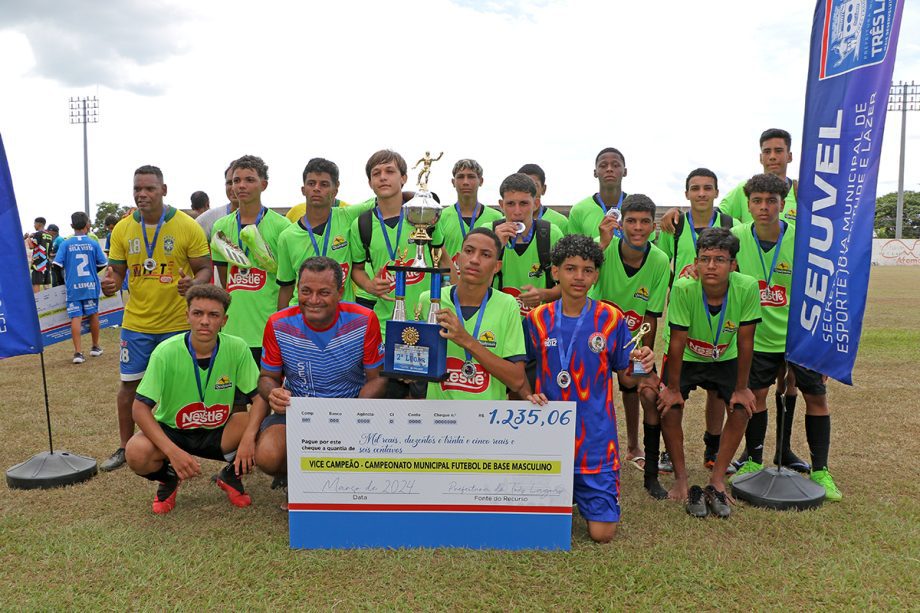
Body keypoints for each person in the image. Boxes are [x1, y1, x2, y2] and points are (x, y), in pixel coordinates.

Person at [526, 234, 655, 543]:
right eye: (570, 268)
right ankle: (563, 495)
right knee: (538, 529)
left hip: (595, 438)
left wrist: (642, 364)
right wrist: (527, 393)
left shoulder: (611, 319)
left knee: (602, 534)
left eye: (587, 269)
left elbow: (627, 379)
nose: (579, 277)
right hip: (548, 438)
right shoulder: (536, 319)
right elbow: (522, 372)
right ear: (555, 272)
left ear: (596, 275)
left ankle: (589, 494)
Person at [730, 173, 840, 500]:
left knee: (817, 398)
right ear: (748, 204)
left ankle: (821, 470)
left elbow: (826, 289)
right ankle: (753, 460)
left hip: (800, 338)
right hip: (758, 338)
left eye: (771, 201)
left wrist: (824, 347)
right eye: (757, 201)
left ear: (782, 204)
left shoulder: (805, 239)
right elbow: (712, 261)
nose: (764, 207)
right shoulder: (735, 237)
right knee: (756, 398)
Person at [100, 165, 212, 472]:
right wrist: (110, 282)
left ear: (163, 190)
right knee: (129, 388)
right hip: (137, 323)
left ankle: (182, 446)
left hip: (177, 323)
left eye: (149, 188)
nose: (142, 194)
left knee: (182, 388)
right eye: (137, 188)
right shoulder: (122, 229)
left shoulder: (186, 225)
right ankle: (125, 447)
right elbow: (117, 272)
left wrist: (195, 283)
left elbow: (204, 267)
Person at [255, 256, 386, 502]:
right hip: (298, 411)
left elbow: (377, 379)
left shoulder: (364, 319)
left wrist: (354, 414)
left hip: (349, 408)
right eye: (306, 291)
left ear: (340, 292)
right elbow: (267, 377)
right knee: (267, 455)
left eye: (324, 292)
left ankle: (339, 482)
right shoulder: (278, 324)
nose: (313, 300)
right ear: (297, 290)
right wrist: (272, 393)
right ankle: (295, 480)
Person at [124, 285, 263, 514]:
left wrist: (248, 439)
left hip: (220, 430)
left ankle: (230, 475)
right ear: (187, 315)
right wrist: (172, 451)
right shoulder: (165, 352)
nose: (205, 321)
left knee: (260, 430)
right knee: (136, 452)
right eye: (198, 313)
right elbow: (140, 408)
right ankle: (168, 479)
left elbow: (259, 399)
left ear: (224, 320)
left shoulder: (237, 348)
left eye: (213, 315)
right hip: (174, 430)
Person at [654, 227, 761, 518]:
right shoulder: (684, 288)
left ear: (733, 264)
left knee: (741, 408)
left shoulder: (747, 286)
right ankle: (681, 479)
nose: (711, 266)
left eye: (720, 259)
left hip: (726, 356)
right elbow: (676, 341)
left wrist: (741, 387)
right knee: (670, 407)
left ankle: (717, 480)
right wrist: (673, 389)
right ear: (696, 262)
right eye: (705, 259)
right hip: (688, 356)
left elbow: (746, 340)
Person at [655, 168, 737, 474]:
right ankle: (667, 450)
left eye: (707, 188)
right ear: (686, 193)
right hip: (682, 318)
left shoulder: (731, 225)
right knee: (672, 389)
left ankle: (712, 448)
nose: (701, 193)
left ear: (716, 192)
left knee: (717, 393)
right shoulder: (672, 226)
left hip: (718, 320)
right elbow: (663, 266)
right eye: (695, 188)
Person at [589, 194, 670, 498]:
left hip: (633, 342)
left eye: (644, 222)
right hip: (595, 339)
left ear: (653, 226)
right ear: (621, 223)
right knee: (590, 393)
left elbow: (649, 319)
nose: (638, 228)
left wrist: (640, 364)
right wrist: (602, 243)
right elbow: (582, 277)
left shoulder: (660, 260)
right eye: (631, 221)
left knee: (644, 391)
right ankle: (590, 455)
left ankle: (641, 457)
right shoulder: (606, 250)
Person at [349, 150, 435, 398]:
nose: (383, 178)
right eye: (376, 173)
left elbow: (443, 261)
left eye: (390, 171)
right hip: (386, 329)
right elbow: (356, 270)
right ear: (370, 182)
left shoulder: (424, 216)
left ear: (404, 178)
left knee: (426, 409)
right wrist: (369, 285)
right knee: (387, 409)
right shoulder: (362, 224)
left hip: (426, 325)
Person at [419, 228, 528, 400]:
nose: (475, 260)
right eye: (469, 251)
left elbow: (516, 380)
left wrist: (466, 340)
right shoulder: (430, 300)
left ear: (497, 266)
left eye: (485, 255)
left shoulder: (507, 305)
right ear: (459, 258)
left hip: (486, 422)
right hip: (438, 420)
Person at [211, 155, 291, 365]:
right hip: (232, 329)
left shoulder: (282, 227)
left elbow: (288, 281)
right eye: (236, 180)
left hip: (267, 328)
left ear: (263, 185)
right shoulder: (220, 227)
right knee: (233, 396)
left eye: (249, 180)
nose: (241, 186)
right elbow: (225, 281)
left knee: (266, 393)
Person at [276, 158, 374, 309]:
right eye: (311, 183)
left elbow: (382, 199)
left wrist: (416, 198)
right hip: (303, 316)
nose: (316, 188)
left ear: (335, 190)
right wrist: (282, 326)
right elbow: (286, 286)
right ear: (303, 190)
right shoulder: (287, 236)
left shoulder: (347, 216)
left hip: (342, 316)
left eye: (324, 184)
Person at [491, 173, 562, 318]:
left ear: (536, 204)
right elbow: (471, 282)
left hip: (541, 324)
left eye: (524, 203)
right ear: (501, 205)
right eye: (510, 204)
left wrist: (544, 294)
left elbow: (569, 285)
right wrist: (495, 247)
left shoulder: (552, 234)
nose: (517, 212)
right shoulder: (488, 233)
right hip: (498, 321)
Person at [430, 159, 502, 276]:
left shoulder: (496, 217)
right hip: (449, 285)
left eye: (471, 177)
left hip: (483, 284)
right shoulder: (440, 217)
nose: (465, 182)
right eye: (460, 177)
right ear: (453, 182)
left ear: (481, 181)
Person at [53, 212, 108, 363]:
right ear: (87, 225)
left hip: (73, 286)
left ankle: (78, 353)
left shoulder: (65, 243)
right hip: (90, 284)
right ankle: (95, 347)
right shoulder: (93, 243)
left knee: (75, 317)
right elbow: (103, 263)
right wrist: (91, 272)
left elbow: (56, 265)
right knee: (93, 314)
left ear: (71, 226)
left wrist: (62, 281)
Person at [567, 148, 628, 240]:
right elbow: (575, 253)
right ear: (595, 173)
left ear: (625, 172)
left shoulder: (638, 206)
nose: (609, 169)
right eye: (603, 166)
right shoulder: (579, 210)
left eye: (615, 165)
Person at [518, 163, 568, 235]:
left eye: (534, 186)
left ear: (543, 189)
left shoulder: (561, 222)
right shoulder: (504, 223)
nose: (528, 191)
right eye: (523, 185)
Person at [196, 164, 239, 242]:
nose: (234, 187)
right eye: (230, 183)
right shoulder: (208, 219)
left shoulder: (267, 219)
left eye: (249, 180)